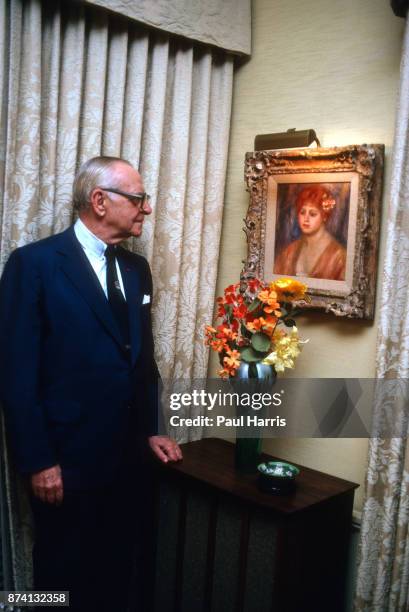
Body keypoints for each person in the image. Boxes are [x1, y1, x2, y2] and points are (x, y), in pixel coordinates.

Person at [0, 156, 182, 611]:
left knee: (115, 571)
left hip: (128, 460)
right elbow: (16, 372)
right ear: (100, 201)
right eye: (138, 199)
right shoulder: (33, 264)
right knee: (57, 576)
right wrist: (39, 461)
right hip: (65, 463)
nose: (147, 209)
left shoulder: (137, 270)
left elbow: (143, 361)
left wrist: (153, 428)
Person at [274, 184, 347, 280]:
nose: (306, 219)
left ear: (324, 216)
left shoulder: (339, 257)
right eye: (302, 212)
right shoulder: (289, 252)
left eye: (312, 214)